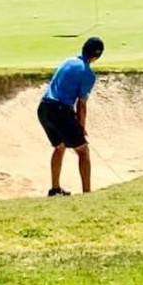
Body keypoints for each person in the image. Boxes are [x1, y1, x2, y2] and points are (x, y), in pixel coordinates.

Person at [37, 37, 105, 196]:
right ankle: (87, 194)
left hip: (44, 108)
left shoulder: (67, 61)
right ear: (96, 57)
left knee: (59, 147)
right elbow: (81, 105)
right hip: (60, 111)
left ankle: (55, 189)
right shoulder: (88, 75)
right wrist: (81, 127)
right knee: (83, 151)